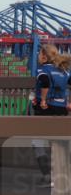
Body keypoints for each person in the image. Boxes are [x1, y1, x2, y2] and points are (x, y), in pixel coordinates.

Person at [30, 44, 70, 187]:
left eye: (39, 54)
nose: (37, 57)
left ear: (44, 56)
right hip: (62, 109)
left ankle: (48, 176)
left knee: (38, 142)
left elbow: (45, 82)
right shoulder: (64, 70)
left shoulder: (43, 69)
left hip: (46, 109)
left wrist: (43, 100)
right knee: (59, 143)